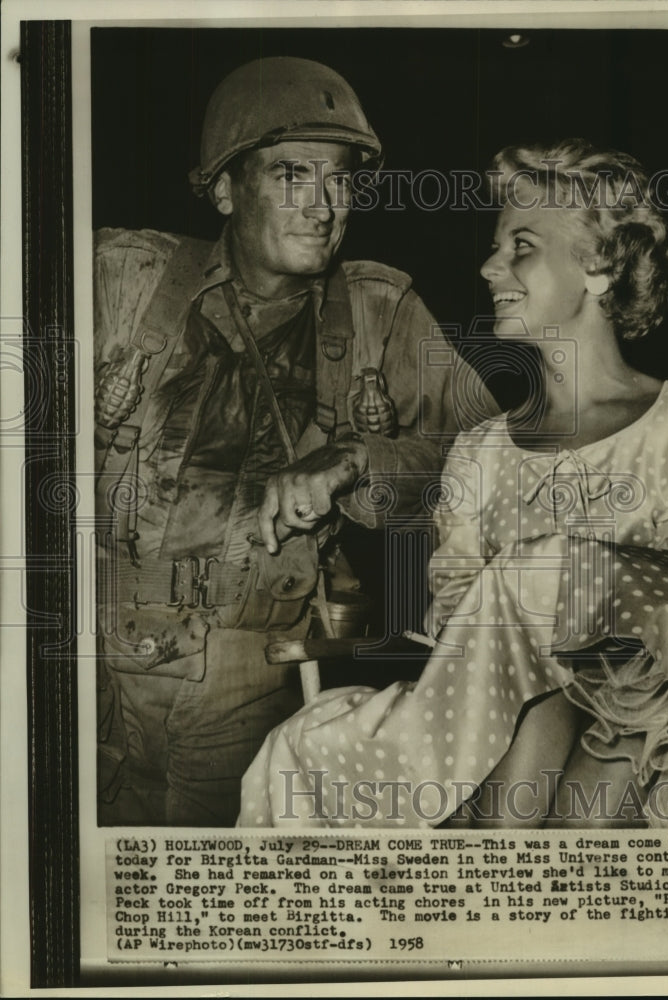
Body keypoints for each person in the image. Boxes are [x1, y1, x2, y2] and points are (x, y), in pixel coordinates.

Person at [238, 138, 668, 829]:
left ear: (599, 266)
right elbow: (459, 627)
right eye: (496, 247)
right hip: (501, 723)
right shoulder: (479, 451)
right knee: (503, 794)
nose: (489, 267)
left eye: (521, 247)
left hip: (654, 722)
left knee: (581, 799)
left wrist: (570, 634)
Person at [94, 56, 492, 827]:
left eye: (339, 181)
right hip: (81, 668)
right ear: (223, 188)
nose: (322, 207)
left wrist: (356, 462)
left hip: (245, 690)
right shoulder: (122, 279)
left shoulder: (381, 312)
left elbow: (498, 461)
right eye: (290, 175)